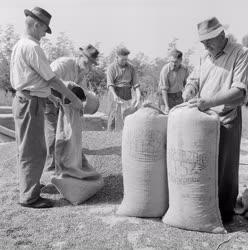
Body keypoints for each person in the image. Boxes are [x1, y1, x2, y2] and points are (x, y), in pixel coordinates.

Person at [10, 7, 84, 208]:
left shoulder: (20, 45)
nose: (45, 34)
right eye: (44, 29)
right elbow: (52, 79)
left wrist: (50, 97)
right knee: (34, 151)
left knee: (27, 148)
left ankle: (30, 185)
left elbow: (30, 79)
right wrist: (73, 99)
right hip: (30, 102)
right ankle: (29, 197)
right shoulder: (33, 47)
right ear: (36, 25)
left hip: (27, 99)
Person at [183, 17, 248, 223]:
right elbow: (193, 80)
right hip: (202, 121)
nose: (205, 45)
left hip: (226, 120)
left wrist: (207, 102)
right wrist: (189, 89)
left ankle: (224, 214)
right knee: (201, 169)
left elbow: (239, 93)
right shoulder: (204, 57)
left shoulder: (241, 54)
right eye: (202, 42)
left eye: (209, 40)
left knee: (225, 172)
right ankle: (202, 210)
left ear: (221, 34)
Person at [44, 44, 99, 171]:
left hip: (64, 98)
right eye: (87, 63)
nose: (89, 67)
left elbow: (81, 92)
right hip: (49, 95)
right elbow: (47, 80)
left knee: (65, 128)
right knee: (52, 129)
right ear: (80, 56)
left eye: (91, 64)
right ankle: (51, 166)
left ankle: (65, 160)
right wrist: (65, 87)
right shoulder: (63, 64)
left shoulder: (81, 72)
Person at [106, 47, 141, 131]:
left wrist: (138, 96)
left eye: (126, 59)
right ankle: (109, 137)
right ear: (117, 57)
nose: (124, 61)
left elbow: (136, 84)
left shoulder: (131, 67)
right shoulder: (111, 68)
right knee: (113, 117)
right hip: (115, 92)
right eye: (122, 60)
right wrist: (115, 95)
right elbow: (110, 84)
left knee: (127, 117)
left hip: (127, 93)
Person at [158, 49, 189, 113]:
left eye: (175, 62)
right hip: (166, 97)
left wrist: (187, 99)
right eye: (172, 61)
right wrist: (166, 106)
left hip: (178, 96)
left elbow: (186, 84)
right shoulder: (165, 70)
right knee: (166, 117)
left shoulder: (184, 69)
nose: (173, 64)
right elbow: (164, 90)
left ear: (180, 60)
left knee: (179, 116)